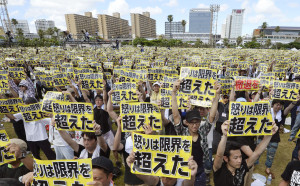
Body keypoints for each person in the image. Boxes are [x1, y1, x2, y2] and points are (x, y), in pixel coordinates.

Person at [171, 79, 219, 185]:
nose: (194, 125)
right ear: (186, 123)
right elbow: (175, 115)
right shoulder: (182, 132)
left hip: (200, 170)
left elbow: (211, 116)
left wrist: (217, 95)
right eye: (191, 122)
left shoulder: (202, 131)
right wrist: (173, 93)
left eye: (197, 122)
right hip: (184, 169)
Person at [213, 120, 278, 186]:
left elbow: (257, 153)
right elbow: (219, 155)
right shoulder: (220, 170)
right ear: (226, 158)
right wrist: (225, 136)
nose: (239, 160)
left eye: (240, 157)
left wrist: (269, 135)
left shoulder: (242, 167)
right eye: (235, 158)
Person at [126, 151, 198, 186]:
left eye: (170, 177)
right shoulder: (157, 182)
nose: (166, 179)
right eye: (163, 175)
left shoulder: (181, 182)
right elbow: (147, 177)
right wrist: (134, 166)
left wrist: (191, 175)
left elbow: (188, 184)